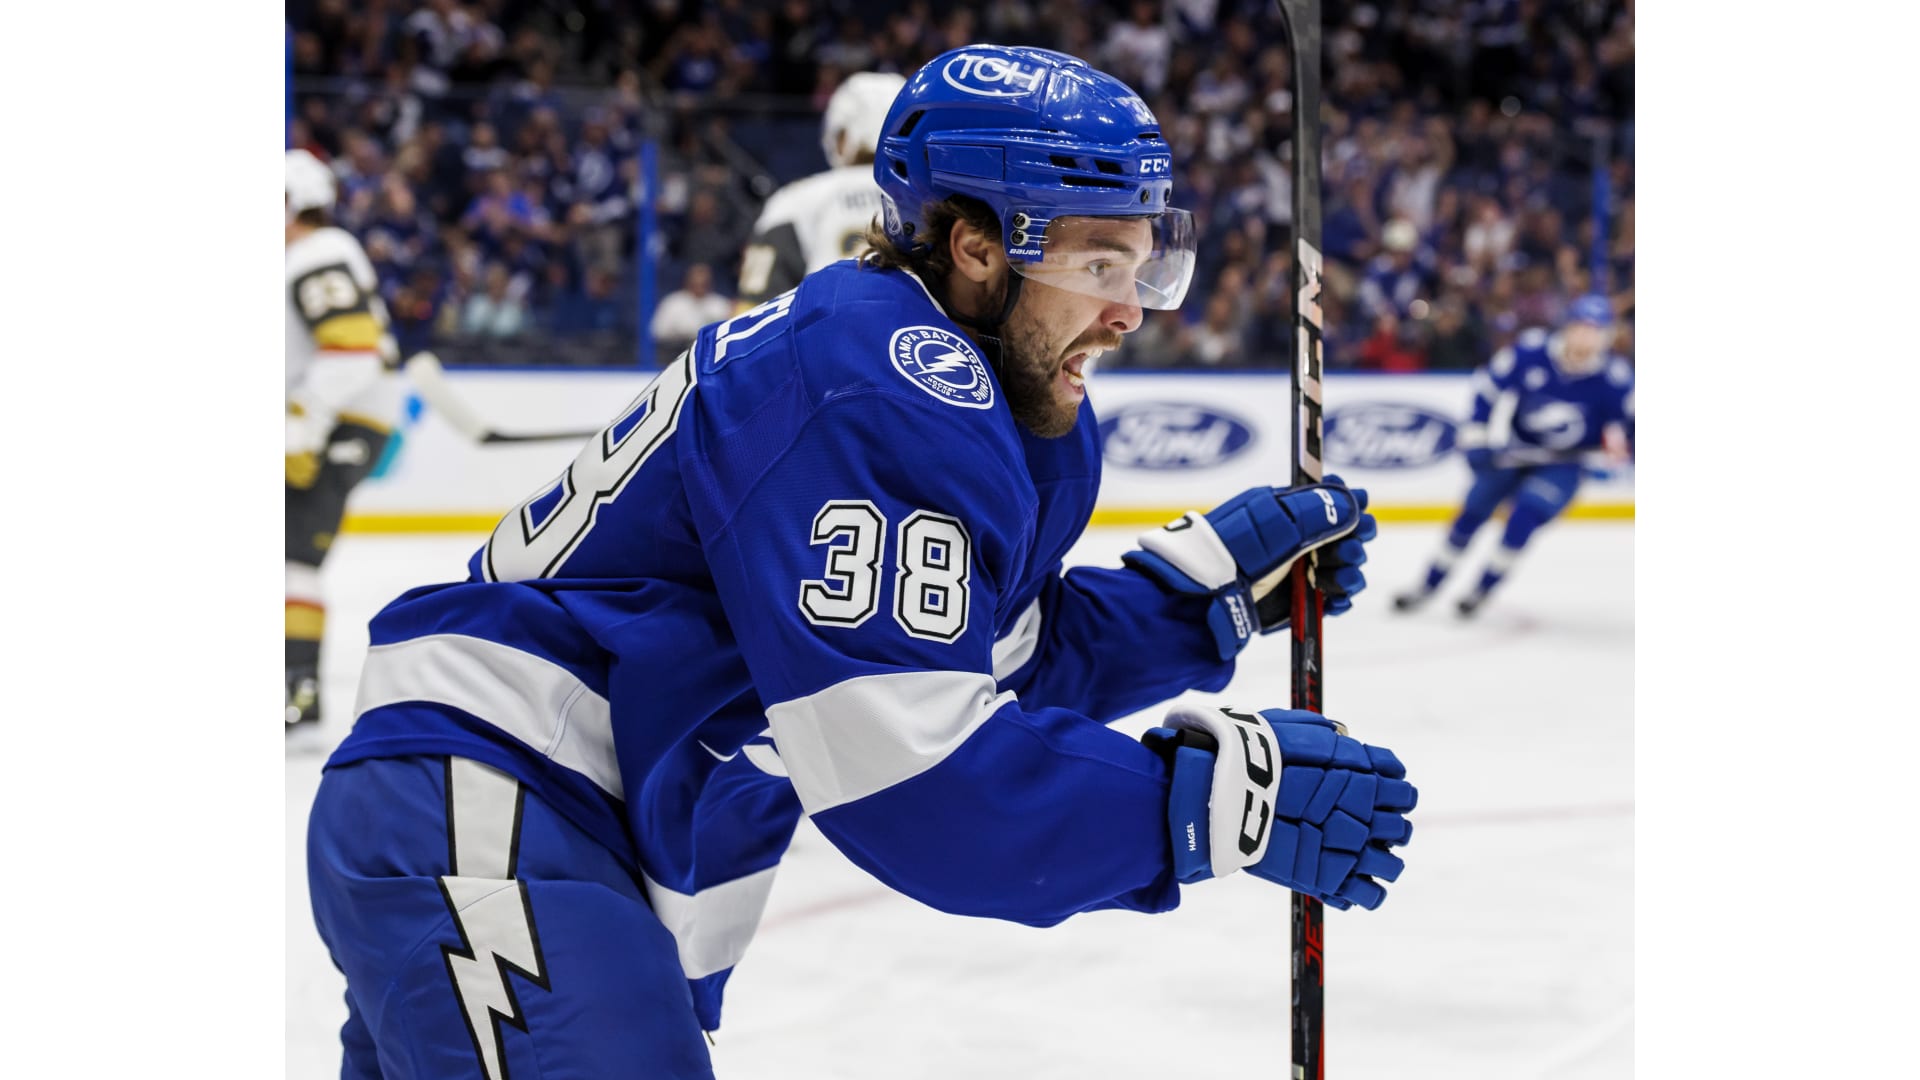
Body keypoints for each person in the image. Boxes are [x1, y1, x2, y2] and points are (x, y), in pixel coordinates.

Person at [307, 47, 1417, 1079]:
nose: (1131, 311)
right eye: (1097, 262)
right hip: (494, 803)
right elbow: (920, 778)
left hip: (556, 828)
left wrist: (1197, 600)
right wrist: (1214, 801)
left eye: (1145, 263)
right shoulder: (880, 377)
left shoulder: (1004, 408)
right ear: (977, 248)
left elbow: (978, 664)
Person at [1393, 293, 1634, 617]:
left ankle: (1482, 589)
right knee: (1471, 513)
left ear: (1606, 336)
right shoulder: (1532, 351)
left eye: (1594, 331)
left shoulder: (1615, 378)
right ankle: (1428, 584)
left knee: (1525, 516)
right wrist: (1477, 437)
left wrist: (1622, 458)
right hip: (1514, 451)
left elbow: (1631, 429)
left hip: (1563, 465)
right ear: (1567, 327)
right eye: (1580, 327)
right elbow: (1488, 389)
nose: (1585, 337)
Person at [285, 148, 405, 736]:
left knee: (291, 560)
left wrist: (301, 426)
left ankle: (295, 693)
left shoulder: (318, 252)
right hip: (329, 420)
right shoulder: (308, 255)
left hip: (337, 424)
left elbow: (353, 349)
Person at [733, 71, 905, 309]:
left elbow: (751, 309)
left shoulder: (793, 201)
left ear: (844, 136)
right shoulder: (935, 200)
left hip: (828, 330)